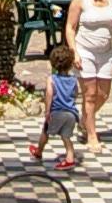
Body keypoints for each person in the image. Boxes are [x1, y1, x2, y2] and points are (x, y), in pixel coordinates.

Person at [65, 0, 112, 155]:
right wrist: (75, 53)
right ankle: (91, 135)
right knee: (89, 95)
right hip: (85, 51)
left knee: (103, 95)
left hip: (105, 53)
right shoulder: (80, 0)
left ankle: (84, 120)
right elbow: (70, 28)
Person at [30, 40, 81, 171]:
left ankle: (39, 151)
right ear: (70, 65)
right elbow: (76, 94)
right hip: (71, 114)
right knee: (66, 137)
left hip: (56, 112)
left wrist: (47, 111)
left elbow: (49, 95)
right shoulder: (73, 80)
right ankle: (70, 158)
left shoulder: (52, 79)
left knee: (45, 132)